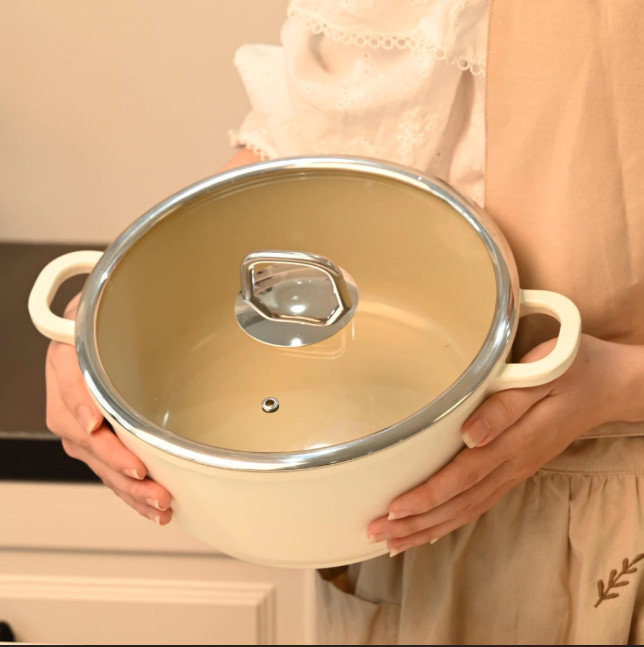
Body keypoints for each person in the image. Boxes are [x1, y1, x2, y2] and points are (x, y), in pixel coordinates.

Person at [44, 0, 644, 643]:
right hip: (390, 505)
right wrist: (105, 310)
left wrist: (620, 385)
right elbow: (316, 138)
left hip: (615, 510)